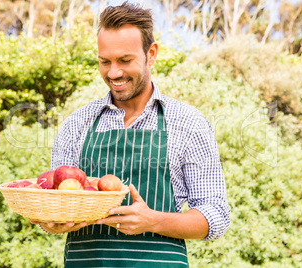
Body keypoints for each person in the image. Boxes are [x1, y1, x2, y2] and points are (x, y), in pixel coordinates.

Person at [33, 1, 230, 267]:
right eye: (105, 62)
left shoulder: (188, 123)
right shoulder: (76, 123)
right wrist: (52, 222)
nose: (114, 73)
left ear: (151, 54)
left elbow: (216, 216)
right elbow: (57, 200)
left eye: (125, 60)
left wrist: (153, 220)